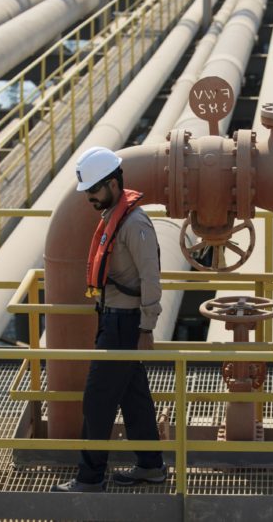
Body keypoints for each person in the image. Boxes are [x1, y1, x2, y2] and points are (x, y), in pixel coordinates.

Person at [52, 147, 166, 492]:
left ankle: (90, 478)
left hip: (124, 325)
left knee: (97, 400)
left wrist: (147, 326)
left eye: (94, 190)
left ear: (114, 185)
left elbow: (151, 277)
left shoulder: (135, 224)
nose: (90, 197)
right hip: (114, 321)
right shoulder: (113, 216)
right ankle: (150, 466)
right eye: (87, 192)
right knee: (134, 399)